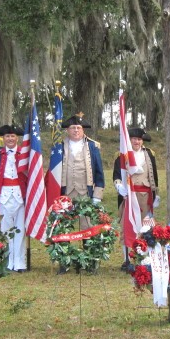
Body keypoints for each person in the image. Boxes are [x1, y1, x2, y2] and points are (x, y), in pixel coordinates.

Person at [58, 113, 105, 273]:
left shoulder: (92, 147)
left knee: (87, 227)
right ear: (67, 130)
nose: (76, 130)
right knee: (63, 228)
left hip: (86, 192)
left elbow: (99, 172)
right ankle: (64, 262)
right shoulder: (59, 147)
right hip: (66, 193)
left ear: (83, 129)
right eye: (72, 128)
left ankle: (89, 261)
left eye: (78, 128)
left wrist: (97, 195)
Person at [113, 127, 159, 268]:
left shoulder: (149, 154)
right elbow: (116, 175)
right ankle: (127, 260)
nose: (137, 141)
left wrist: (156, 194)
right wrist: (119, 186)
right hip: (129, 196)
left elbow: (154, 175)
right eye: (134, 139)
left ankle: (145, 259)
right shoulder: (122, 155)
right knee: (127, 227)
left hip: (145, 196)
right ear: (129, 140)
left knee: (146, 227)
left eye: (139, 139)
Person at [0, 125, 27, 273]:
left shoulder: (24, 154)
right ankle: (8, 262)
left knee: (20, 230)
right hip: (3, 196)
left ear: (17, 138)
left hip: (20, 196)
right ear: (3, 139)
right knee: (5, 230)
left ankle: (20, 263)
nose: (10, 139)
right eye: (7, 136)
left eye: (13, 136)